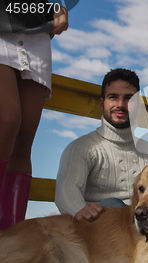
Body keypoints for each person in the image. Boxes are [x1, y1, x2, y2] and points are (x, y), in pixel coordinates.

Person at [55, 68, 148, 222]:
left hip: (141, 228)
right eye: (113, 97)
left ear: (138, 107)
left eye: (128, 98)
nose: (120, 104)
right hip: (99, 232)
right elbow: (66, 191)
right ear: (102, 103)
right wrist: (80, 211)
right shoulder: (83, 147)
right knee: (111, 205)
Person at [0, 0, 68, 229]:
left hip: (36, 33)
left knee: (24, 141)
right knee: (7, 120)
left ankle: (10, 237)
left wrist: (56, 7)